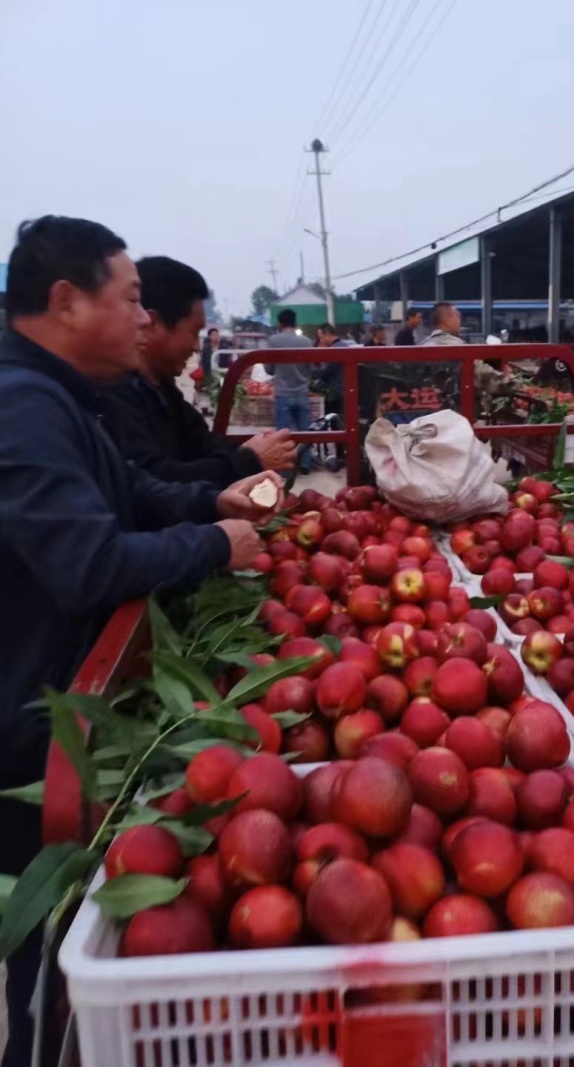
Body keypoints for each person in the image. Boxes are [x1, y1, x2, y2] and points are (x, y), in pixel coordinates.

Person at [0, 216, 281, 1067]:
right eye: (128, 300)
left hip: (69, 699)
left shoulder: (60, 397)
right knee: (48, 948)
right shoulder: (21, 407)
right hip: (29, 719)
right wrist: (215, 544)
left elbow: (134, 490)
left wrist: (212, 504)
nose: (142, 319)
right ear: (65, 301)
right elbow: (87, 562)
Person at [101, 256, 296, 487]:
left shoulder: (163, 389)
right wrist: (248, 461)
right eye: (194, 333)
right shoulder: (114, 395)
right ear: (152, 324)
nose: (196, 346)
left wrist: (250, 451)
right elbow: (158, 481)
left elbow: (204, 443)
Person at [267, 308, 313, 473]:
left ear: (280, 324)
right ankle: (306, 465)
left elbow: (269, 369)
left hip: (283, 393)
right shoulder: (307, 342)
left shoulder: (274, 341)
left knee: (283, 434)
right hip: (302, 392)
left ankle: (285, 469)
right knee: (306, 432)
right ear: (295, 323)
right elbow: (311, 368)